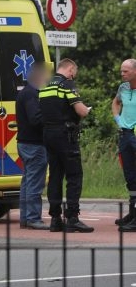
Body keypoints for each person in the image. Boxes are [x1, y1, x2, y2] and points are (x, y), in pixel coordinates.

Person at [38, 58, 94, 233]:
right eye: (74, 72)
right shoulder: (67, 85)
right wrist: (88, 109)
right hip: (65, 135)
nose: (74, 75)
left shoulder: (45, 86)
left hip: (48, 134)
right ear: (70, 69)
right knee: (74, 175)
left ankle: (55, 219)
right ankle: (72, 218)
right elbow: (81, 111)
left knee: (55, 176)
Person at [16, 64, 49, 230]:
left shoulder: (26, 92)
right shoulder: (31, 94)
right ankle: (33, 218)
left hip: (25, 143)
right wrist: (51, 116)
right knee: (35, 183)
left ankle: (25, 217)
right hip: (34, 144)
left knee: (27, 182)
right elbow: (35, 119)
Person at [111, 58, 136, 232]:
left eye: (125, 71)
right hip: (125, 136)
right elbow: (116, 103)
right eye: (121, 71)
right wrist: (118, 119)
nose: (122, 74)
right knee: (130, 177)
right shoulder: (123, 87)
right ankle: (132, 214)